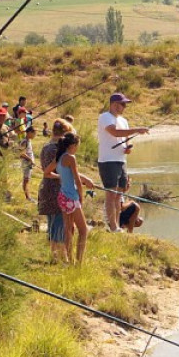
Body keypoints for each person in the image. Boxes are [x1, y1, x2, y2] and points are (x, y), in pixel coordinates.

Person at [38, 119, 94, 262]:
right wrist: (80, 196)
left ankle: (63, 258)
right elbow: (75, 178)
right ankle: (70, 260)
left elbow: (47, 171)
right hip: (64, 194)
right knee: (78, 229)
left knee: (65, 228)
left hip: (56, 194)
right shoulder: (67, 156)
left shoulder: (49, 150)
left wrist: (60, 176)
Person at [97, 92, 148, 232]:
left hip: (121, 160)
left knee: (119, 194)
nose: (124, 107)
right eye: (123, 104)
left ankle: (117, 226)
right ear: (114, 104)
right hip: (108, 160)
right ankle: (113, 227)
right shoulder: (105, 117)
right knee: (111, 194)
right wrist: (137, 129)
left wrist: (127, 148)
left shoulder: (124, 120)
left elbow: (124, 139)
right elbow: (115, 132)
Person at [53, 132, 88, 264]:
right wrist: (81, 196)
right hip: (71, 197)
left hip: (62, 196)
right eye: (77, 146)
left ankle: (70, 260)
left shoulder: (60, 157)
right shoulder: (70, 158)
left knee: (68, 229)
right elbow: (78, 180)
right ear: (72, 145)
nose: (77, 149)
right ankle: (79, 262)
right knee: (83, 230)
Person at [19, 126, 36, 201]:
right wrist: (30, 160)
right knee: (26, 180)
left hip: (29, 163)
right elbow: (22, 153)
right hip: (26, 163)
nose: (34, 135)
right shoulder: (24, 141)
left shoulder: (29, 141)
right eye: (34, 133)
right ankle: (28, 197)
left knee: (27, 179)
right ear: (29, 133)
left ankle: (28, 197)